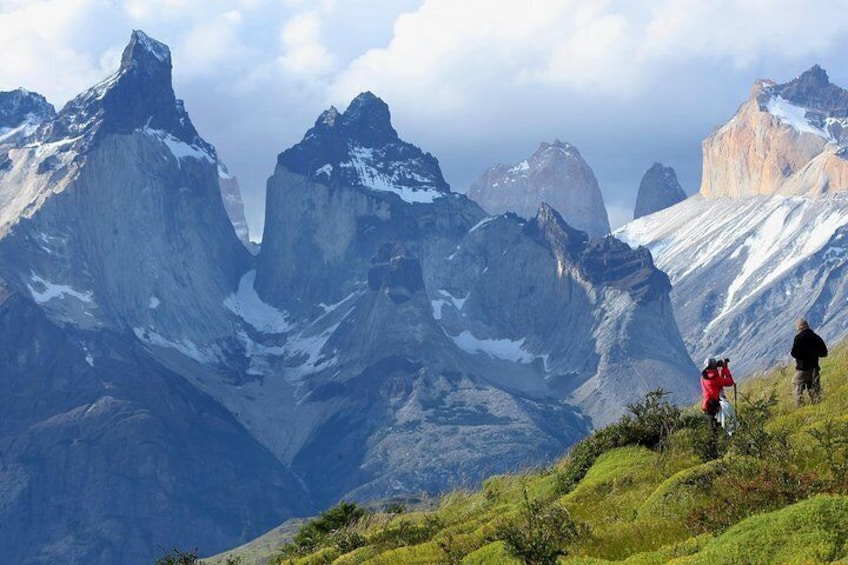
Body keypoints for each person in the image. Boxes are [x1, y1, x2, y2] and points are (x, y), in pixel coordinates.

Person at [791, 318, 828, 406]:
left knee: (797, 385)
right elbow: (824, 353)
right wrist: (814, 354)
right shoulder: (816, 337)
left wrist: (802, 357)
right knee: (814, 389)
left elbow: (794, 353)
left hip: (802, 369)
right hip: (814, 368)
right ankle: (817, 405)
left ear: (799, 328)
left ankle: (800, 406)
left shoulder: (798, 338)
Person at [701, 357, 735, 430]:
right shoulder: (715, 379)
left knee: (712, 428)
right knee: (719, 428)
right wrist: (725, 369)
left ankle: (713, 440)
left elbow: (718, 384)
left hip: (707, 405)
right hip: (715, 406)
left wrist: (720, 370)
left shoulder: (703, 377)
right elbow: (730, 382)